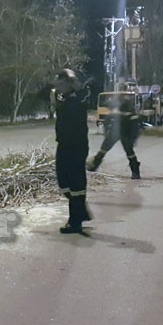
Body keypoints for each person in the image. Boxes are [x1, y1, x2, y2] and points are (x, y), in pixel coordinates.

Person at [52, 69, 92, 234]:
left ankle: (75, 221)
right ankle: (80, 211)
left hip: (76, 146)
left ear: (70, 83)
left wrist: (74, 80)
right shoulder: (64, 98)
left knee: (76, 184)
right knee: (64, 182)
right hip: (64, 145)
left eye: (62, 83)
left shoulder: (80, 97)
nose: (58, 86)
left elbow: (87, 91)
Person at [86, 94, 141, 179]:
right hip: (121, 134)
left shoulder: (120, 113)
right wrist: (133, 138)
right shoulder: (130, 114)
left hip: (119, 134)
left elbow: (107, 124)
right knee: (128, 153)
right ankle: (135, 172)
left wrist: (107, 133)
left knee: (105, 150)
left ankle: (93, 166)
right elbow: (135, 128)